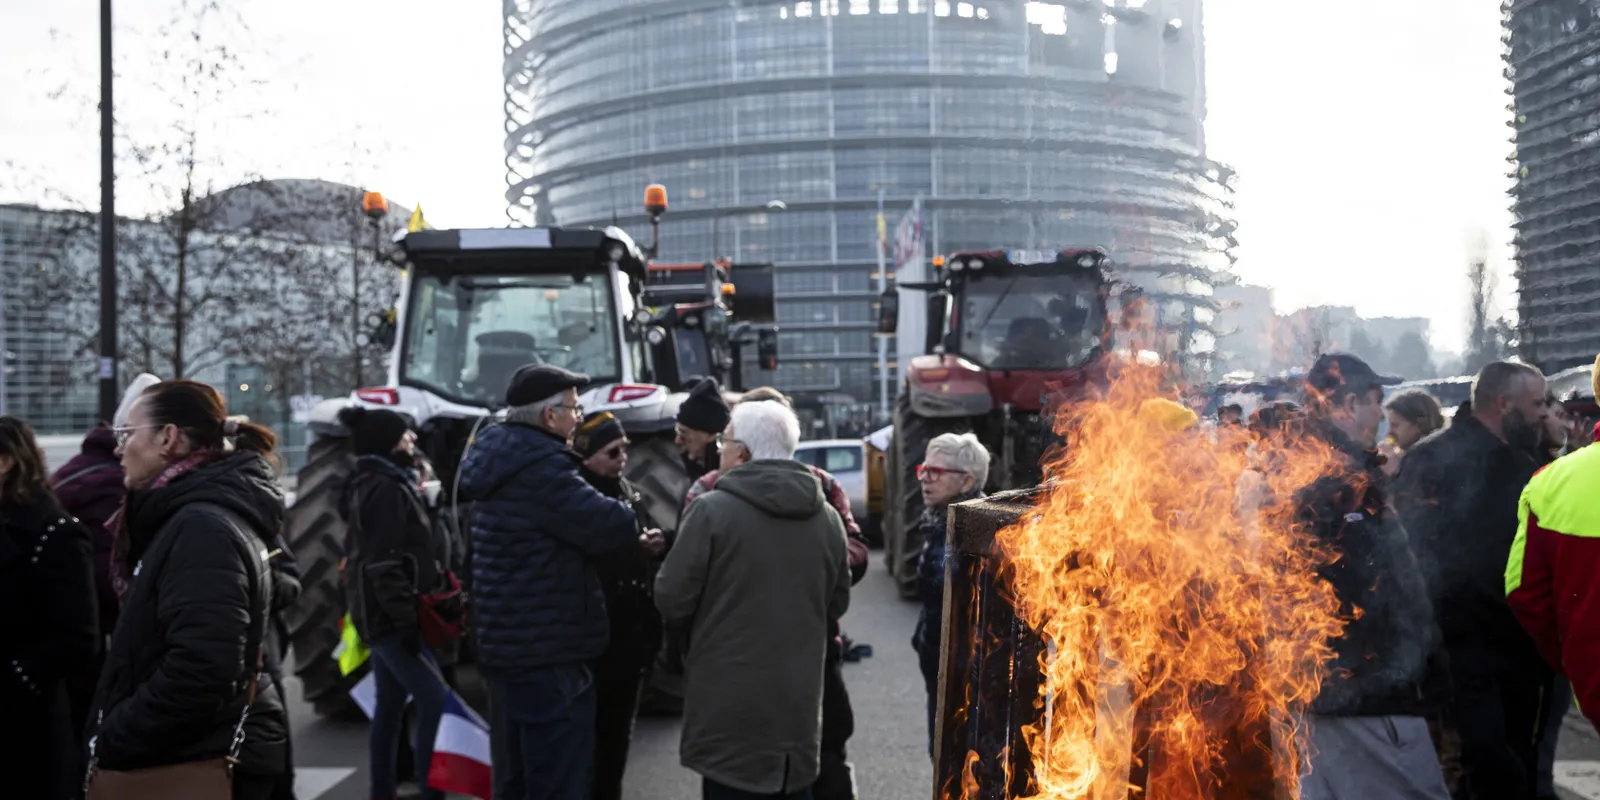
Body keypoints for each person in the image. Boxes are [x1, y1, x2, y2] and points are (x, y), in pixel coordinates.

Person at [86, 380, 290, 800]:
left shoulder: (200, 527)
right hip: (197, 746)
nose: (118, 448)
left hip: (196, 757)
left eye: (126, 434)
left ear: (168, 438)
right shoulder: (188, 514)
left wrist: (113, 736)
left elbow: (202, 668)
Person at [459, 364, 640, 800]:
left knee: (514, 776)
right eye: (574, 409)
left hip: (505, 649)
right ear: (548, 417)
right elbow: (614, 524)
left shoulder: (497, 459)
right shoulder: (543, 470)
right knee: (557, 778)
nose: (578, 418)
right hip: (550, 652)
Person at [656, 400, 851, 800]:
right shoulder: (828, 518)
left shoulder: (710, 512)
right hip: (797, 713)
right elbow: (837, 603)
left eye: (725, 442)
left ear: (742, 452)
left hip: (729, 714)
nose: (719, 450)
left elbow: (671, 598)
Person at [1290, 354, 1450, 800]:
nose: (1380, 415)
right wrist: (1410, 667)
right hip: (1365, 697)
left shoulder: (1336, 468)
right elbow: (1375, 586)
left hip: (1338, 695)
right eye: (1374, 402)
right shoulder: (1332, 481)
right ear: (1345, 403)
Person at [1394, 360, 1553, 800]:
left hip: (1523, 650)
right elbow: (1409, 555)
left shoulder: (1528, 459)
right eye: (1537, 403)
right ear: (1504, 404)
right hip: (1460, 653)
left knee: (1521, 760)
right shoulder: (1429, 459)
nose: (1545, 413)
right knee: (1483, 767)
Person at [338, 406, 449, 800]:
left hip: (378, 615)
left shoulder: (376, 482)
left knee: (389, 706)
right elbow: (384, 562)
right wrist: (404, 620)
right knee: (436, 700)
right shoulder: (384, 489)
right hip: (389, 618)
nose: (412, 439)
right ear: (388, 441)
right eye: (405, 434)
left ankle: (381, 790)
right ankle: (430, 789)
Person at [0, 416, 99, 800]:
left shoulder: (55, 533)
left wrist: (16, 677)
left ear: (6, 461)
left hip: (28, 730)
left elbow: (77, 637)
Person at [573, 411, 668, 800]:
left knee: (615, 744)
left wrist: (653, 548)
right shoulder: (574, 499)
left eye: (625, 449)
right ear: (588, 456)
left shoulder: (630, 492)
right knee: (585, 744)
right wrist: (633, 549)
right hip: (592, 639)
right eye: (612, 452)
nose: (622, 458)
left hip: (629, 639)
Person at [909, 432, 989, 758]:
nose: (926, 479)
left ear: (966, 480)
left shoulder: (972, 533)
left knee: (958, 764)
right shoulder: (940, 522)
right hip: (940, 671)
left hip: (965, 679)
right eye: (924, 470)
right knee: (941, 757)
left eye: (937, 472)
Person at [1379, 389, 1445, 477]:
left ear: (1420, 424)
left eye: (1395, 425)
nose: (1389, 433)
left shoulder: (1437, 462)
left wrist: (1394, 472)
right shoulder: (1408, 460)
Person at [675, 377, 730, 483]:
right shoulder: (692, 470)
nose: (677, 441)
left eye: (684, 432)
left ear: (711, 435)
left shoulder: (730, 474)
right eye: (678, 431)